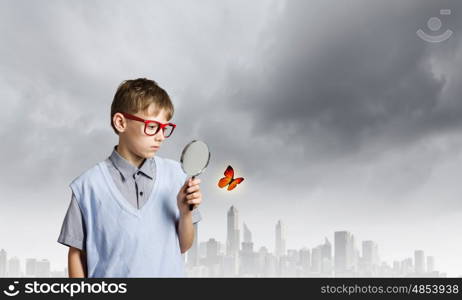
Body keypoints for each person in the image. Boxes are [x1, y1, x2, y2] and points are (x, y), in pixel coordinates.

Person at [57, 78, 202, 277]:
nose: (160, 136)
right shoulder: (87, 187)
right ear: (121, 122)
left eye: (165, 128)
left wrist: (185, 214)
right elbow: (76, 255)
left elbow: (184, 246)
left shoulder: (177, 175)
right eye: (152, 126)